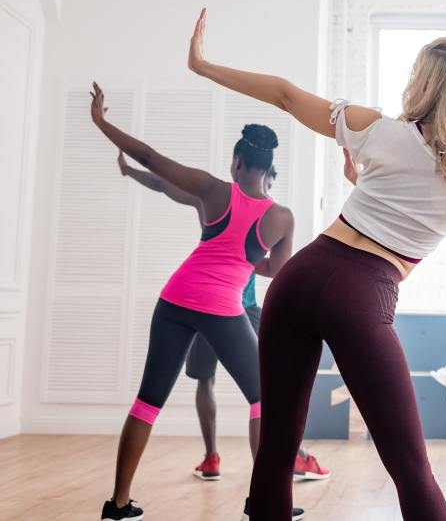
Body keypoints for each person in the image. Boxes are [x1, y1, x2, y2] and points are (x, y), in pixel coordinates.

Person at [187, 8, 446, 521]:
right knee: (410, 466)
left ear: (422, 84)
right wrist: (367, 182)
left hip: (302, 276)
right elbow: (411, 228)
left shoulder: (378, 131)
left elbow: (286, 95)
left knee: (277, 451)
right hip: (364, 293)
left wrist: (205, 66)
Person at [89, 84, 304, 521]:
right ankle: (265, 503)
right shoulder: (280, 217)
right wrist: (246, 261)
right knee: (264, 399)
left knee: (148, 401)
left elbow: (154, 160)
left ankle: (118, 504)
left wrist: (101, 122)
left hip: (175, 298)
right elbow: (276, 271)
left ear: (237, 161)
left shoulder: (212, 190)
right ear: (268, 168)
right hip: (224, 308)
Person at [116, 153, 329, 484]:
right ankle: (212, 457)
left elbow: (270, 267)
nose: (265, 188)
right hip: (210, 305)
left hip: (243, 310)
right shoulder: (218, 202)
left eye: (270, 183)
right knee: (214, 381)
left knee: (264, 393)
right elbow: (163, 184)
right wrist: (130, 171)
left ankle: (292, 459)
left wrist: (245, 257)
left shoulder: (267, 217)